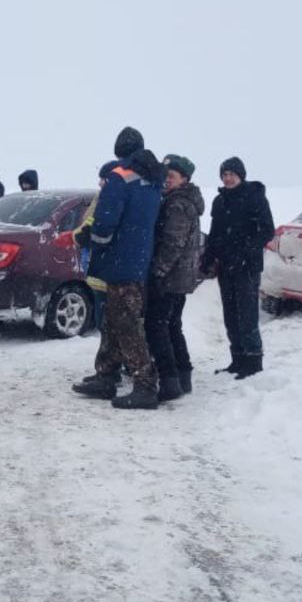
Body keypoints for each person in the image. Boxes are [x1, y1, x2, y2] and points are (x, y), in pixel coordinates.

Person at [71, 126, 165, 409]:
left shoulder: (119, 177)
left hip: (119, 260)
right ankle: (106, 375)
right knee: (113, 320)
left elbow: (106, 220)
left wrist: (95, 240)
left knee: (125, 324)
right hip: (138, 259)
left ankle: (145, 385)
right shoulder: (153, 179)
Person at [200, 156, 275, 379]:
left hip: (247, 267)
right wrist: (208, 258)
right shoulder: (219, 201)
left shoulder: (254, 197)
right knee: (231, 315)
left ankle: (253, 362)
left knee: (247, 315)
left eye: (232, 174)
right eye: (224, 175)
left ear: (240, 175)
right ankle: (237, 359)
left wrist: (245, 252)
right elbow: (215, 233)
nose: (228, 178)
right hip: (225, 267)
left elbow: (266, 230)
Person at [145, 155, 205, 400]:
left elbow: (173, 243)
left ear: (185, 179)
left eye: (172, 176)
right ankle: (183, 375)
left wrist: (158, 271)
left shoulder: (178, 204)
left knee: (157, 326)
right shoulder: (181, 200)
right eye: (166, 175)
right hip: (180, 276)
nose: (167, 180)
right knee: (171, 325)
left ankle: (169, 380)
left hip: (170, 277)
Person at [73, 162, 117, 334]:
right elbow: (89, 221)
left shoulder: (111, 200)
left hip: (105, 271)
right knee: (103, 322)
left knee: (107, 323)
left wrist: (84, 234)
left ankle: (113, 358)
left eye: (103, 179)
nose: (99, 183)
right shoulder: (102, 197)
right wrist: (82, 233)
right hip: (96, 268)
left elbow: (98, 224)